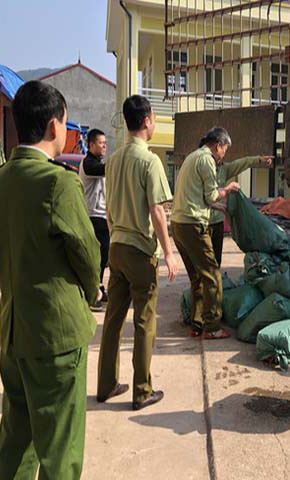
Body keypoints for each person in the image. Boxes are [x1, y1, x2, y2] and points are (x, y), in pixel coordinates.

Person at [0, 81, 100, 479]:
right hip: (56, 336)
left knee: (17, 436)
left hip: (14, 332)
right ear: (54, 127)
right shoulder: (58, 183)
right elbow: (86, 253)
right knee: (60, 448)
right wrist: (90, 291)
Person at [97, 95, 178, 411]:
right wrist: (169, 252)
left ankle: (106, 385)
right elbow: (157, 210)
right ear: (146, 121)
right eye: (154, 118)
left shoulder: (114, 159)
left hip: (116, 247)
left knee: (113, 320)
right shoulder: (150, 160)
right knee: (145, 321)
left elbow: (108, 211)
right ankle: (142, 390)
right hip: (141, 250)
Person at [171, 127, 240, 339]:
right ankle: (212, 327)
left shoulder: (192, 157)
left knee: (197, 277)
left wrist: (221, 209)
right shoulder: (207, 160)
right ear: (218, 145)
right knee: (212, 275)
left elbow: (200, 197)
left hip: (178, 224)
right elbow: (211, 196)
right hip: (193, 225)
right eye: (224, 150)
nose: (223, 156)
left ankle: (197, 323)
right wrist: (228, 189)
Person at [209, 154, 273, 267]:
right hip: (203, 222)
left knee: (216, 261)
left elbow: (242, 162)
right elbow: (202, 196)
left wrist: (258, 159)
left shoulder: (224, 169)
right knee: (203, 261)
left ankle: (213, 283)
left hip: (217, 222)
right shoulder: (203, 169)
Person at [79, 128, 109, 311]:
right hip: (93, 216)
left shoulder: (98, 163)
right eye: (100, 142)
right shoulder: (89, 164)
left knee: (103, 256)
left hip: (102, 216)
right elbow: (105, 169)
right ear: (91, 145)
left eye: (105, 142)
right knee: (96, 257)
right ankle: (92, 292)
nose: (104, 145)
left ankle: (98, 286)